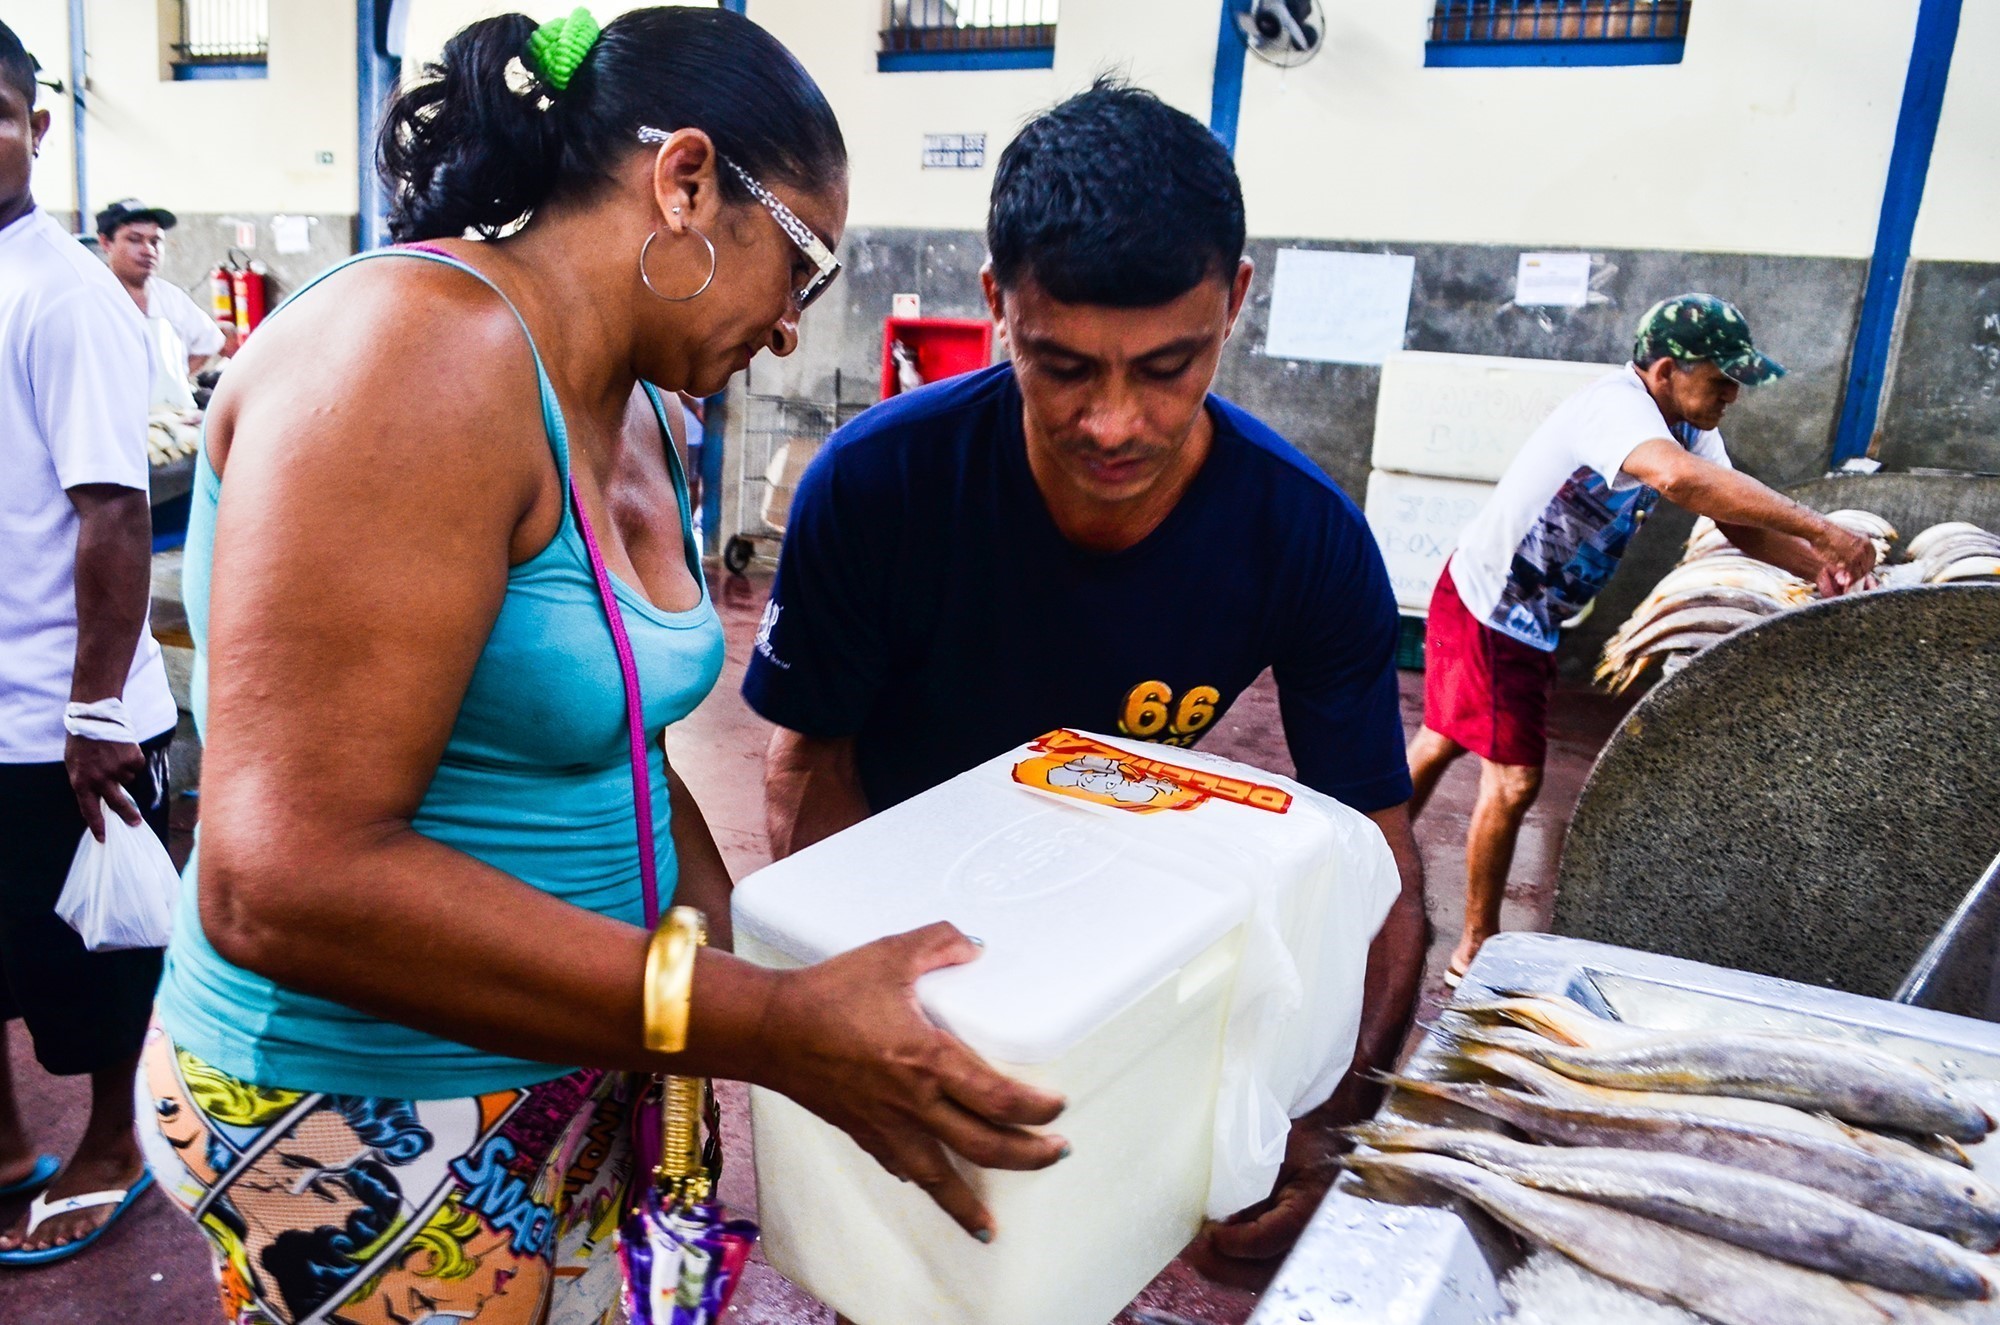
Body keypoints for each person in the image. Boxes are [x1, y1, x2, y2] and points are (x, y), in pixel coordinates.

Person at [136, 11, 1067, 1323]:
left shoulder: (640, 408)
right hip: (366, 1109)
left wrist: (750, 981)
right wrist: (759, 1020)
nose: (795, 332)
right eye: (799, 270)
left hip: (572, 1064)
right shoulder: (414, 354)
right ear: (685, 182)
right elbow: (279, 877)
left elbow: (620, 740)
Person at [743, 81, 1428, 1269]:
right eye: (1059, 365)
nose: (1114, 423)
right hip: (918, 929)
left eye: (1170, 364)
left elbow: (1374, 862)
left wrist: (1322, 1127)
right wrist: (854, 1009)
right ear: (996, 301)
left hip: (1114, 934)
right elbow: (810, 768)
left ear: (1236, 303)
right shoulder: (876, 487)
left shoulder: (1303, 539)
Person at [1405, 294, 1880, 982]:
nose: (1733, 395)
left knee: (1444, 735)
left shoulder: (1689, 424)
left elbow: (1737, 520)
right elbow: (1680, 480)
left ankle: (1368, 844)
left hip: (1519, 604)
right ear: (1663, 371)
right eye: (1720, 379)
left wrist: (1823, 569)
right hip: (1495, 603)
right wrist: (1823, 526)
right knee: (1513, 781)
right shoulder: (1618, 408)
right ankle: (1473, 947)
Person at [0, 20, 181, 1265]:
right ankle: (7, 1146)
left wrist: (93, 713)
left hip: (55, 711)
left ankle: (114, 1141)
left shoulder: (61, 294)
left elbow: (112, 513)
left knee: (92, 957)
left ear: (35, 126)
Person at [95, 197, 228, 410]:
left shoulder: (171, 299)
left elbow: (209, 341)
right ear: (105, 243)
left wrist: (173, 379)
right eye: (134, 239)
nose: (148, 250)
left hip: (171, 418)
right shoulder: (92, 299)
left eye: (155, 241)